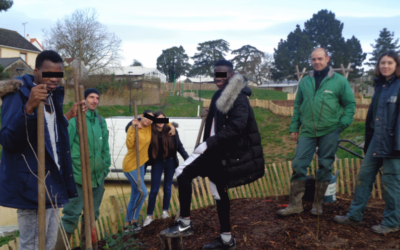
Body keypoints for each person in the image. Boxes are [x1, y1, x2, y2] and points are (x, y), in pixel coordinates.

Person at [160, 60, 265, 250]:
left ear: (231, 75)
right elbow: (222, 121)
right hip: (218, 150)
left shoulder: (238, 98)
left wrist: (208, 143)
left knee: (182, 172)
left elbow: (237, 127)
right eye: (216, 74)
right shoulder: (220, 95)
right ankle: (227, 240)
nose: (218, 78)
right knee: (218, 190)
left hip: (222, 152)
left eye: (222, 74)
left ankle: (185, 224)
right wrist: (211, 115)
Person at [0, 50, 85, 250]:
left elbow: (49, 134)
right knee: (31, 244)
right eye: (48, 74)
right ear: (36, 71)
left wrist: (70, 114)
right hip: (31, 181)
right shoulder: (19, 95)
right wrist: (28, 108)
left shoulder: (51, 96)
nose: (54, 79)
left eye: (58, 74)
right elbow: (8, 140)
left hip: (52, 180)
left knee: (47, 242)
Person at [277, 48, 356, 217]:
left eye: (320, 59)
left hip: (330, 130)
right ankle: (295, 205)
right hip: (307, 131)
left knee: (325, 166)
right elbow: (297, 105)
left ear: (327, 59)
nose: (317, 62)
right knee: (298, 165)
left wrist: (342, 124)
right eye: (314, 59)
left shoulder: (340, 81)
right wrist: (294, 127)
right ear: (311, 61)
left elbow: (350, 104)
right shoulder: (305, 81)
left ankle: (318, 204)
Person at [334, 51, 400, 234]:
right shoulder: (381, 86)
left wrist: (398, 145)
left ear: (396, 65)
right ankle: (354, 216)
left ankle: (391, 222)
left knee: (391, 183)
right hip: (376, 141)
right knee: (364, 177)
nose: (385, 66)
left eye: (389, 63)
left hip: (394, 143)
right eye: (382, 63)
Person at [55, 88, 111, 249]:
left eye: (97, 98)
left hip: (97, 177)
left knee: (92, 215)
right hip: (77, 177)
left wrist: (105, 166)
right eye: (91, 97)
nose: (95, 100)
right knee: (71, 215)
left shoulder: (100, 121)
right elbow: (64, 147)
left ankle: (89, 247)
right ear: (84, 99)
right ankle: (59, 247)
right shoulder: (74, 120)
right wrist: (69, 172)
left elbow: (104, 148)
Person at [143, 111, 189, 227]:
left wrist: (188, 159)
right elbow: (139, 119)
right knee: (154, 190)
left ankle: (165, 212)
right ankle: (149, 216)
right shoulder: (150, 130)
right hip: (157, 163)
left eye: (163, 119)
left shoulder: (171, 130)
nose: (160, 122)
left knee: (167, 187)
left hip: (170, 162)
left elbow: (179, 146)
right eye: (158, 119)